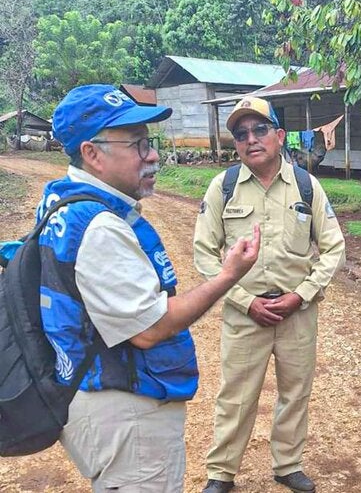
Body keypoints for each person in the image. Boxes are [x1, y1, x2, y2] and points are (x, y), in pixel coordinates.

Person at [42, 84, 260, 491]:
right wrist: (229, 275)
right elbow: (150, 328)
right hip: (127, 412)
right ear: (92, 154)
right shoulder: (100, 227)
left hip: (96, 393)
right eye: (138, 145)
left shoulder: (62, 203)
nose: (153, 155)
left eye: (150, 142)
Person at [194, 96, 346, 493]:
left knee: (295, 392)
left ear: (279, 136)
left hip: (297, 311)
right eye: (241, 134)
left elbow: (334, 248)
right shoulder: (223, 187)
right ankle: (221, 473)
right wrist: (245, 301)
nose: (251, 139)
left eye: (260, 129)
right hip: (245, 313)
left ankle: (287, 464)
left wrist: (303, 294)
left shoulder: (307, 186)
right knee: (237, 396)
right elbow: (203, 253)